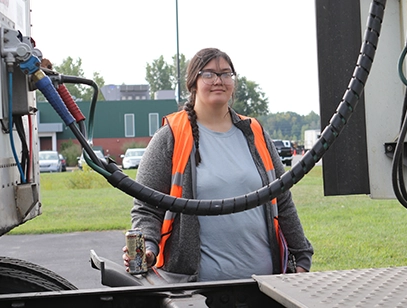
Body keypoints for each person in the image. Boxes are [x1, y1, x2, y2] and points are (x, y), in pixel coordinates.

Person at [123, 47, 313, 282]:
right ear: (193, 82)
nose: (218, 81)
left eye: (225, 74)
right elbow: (147, 207)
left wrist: (301, 255)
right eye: (209, 74)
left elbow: (282, 199)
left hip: (264, 284)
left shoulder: (254, 132)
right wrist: (148, 247)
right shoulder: (171, 136)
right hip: (197, 290)